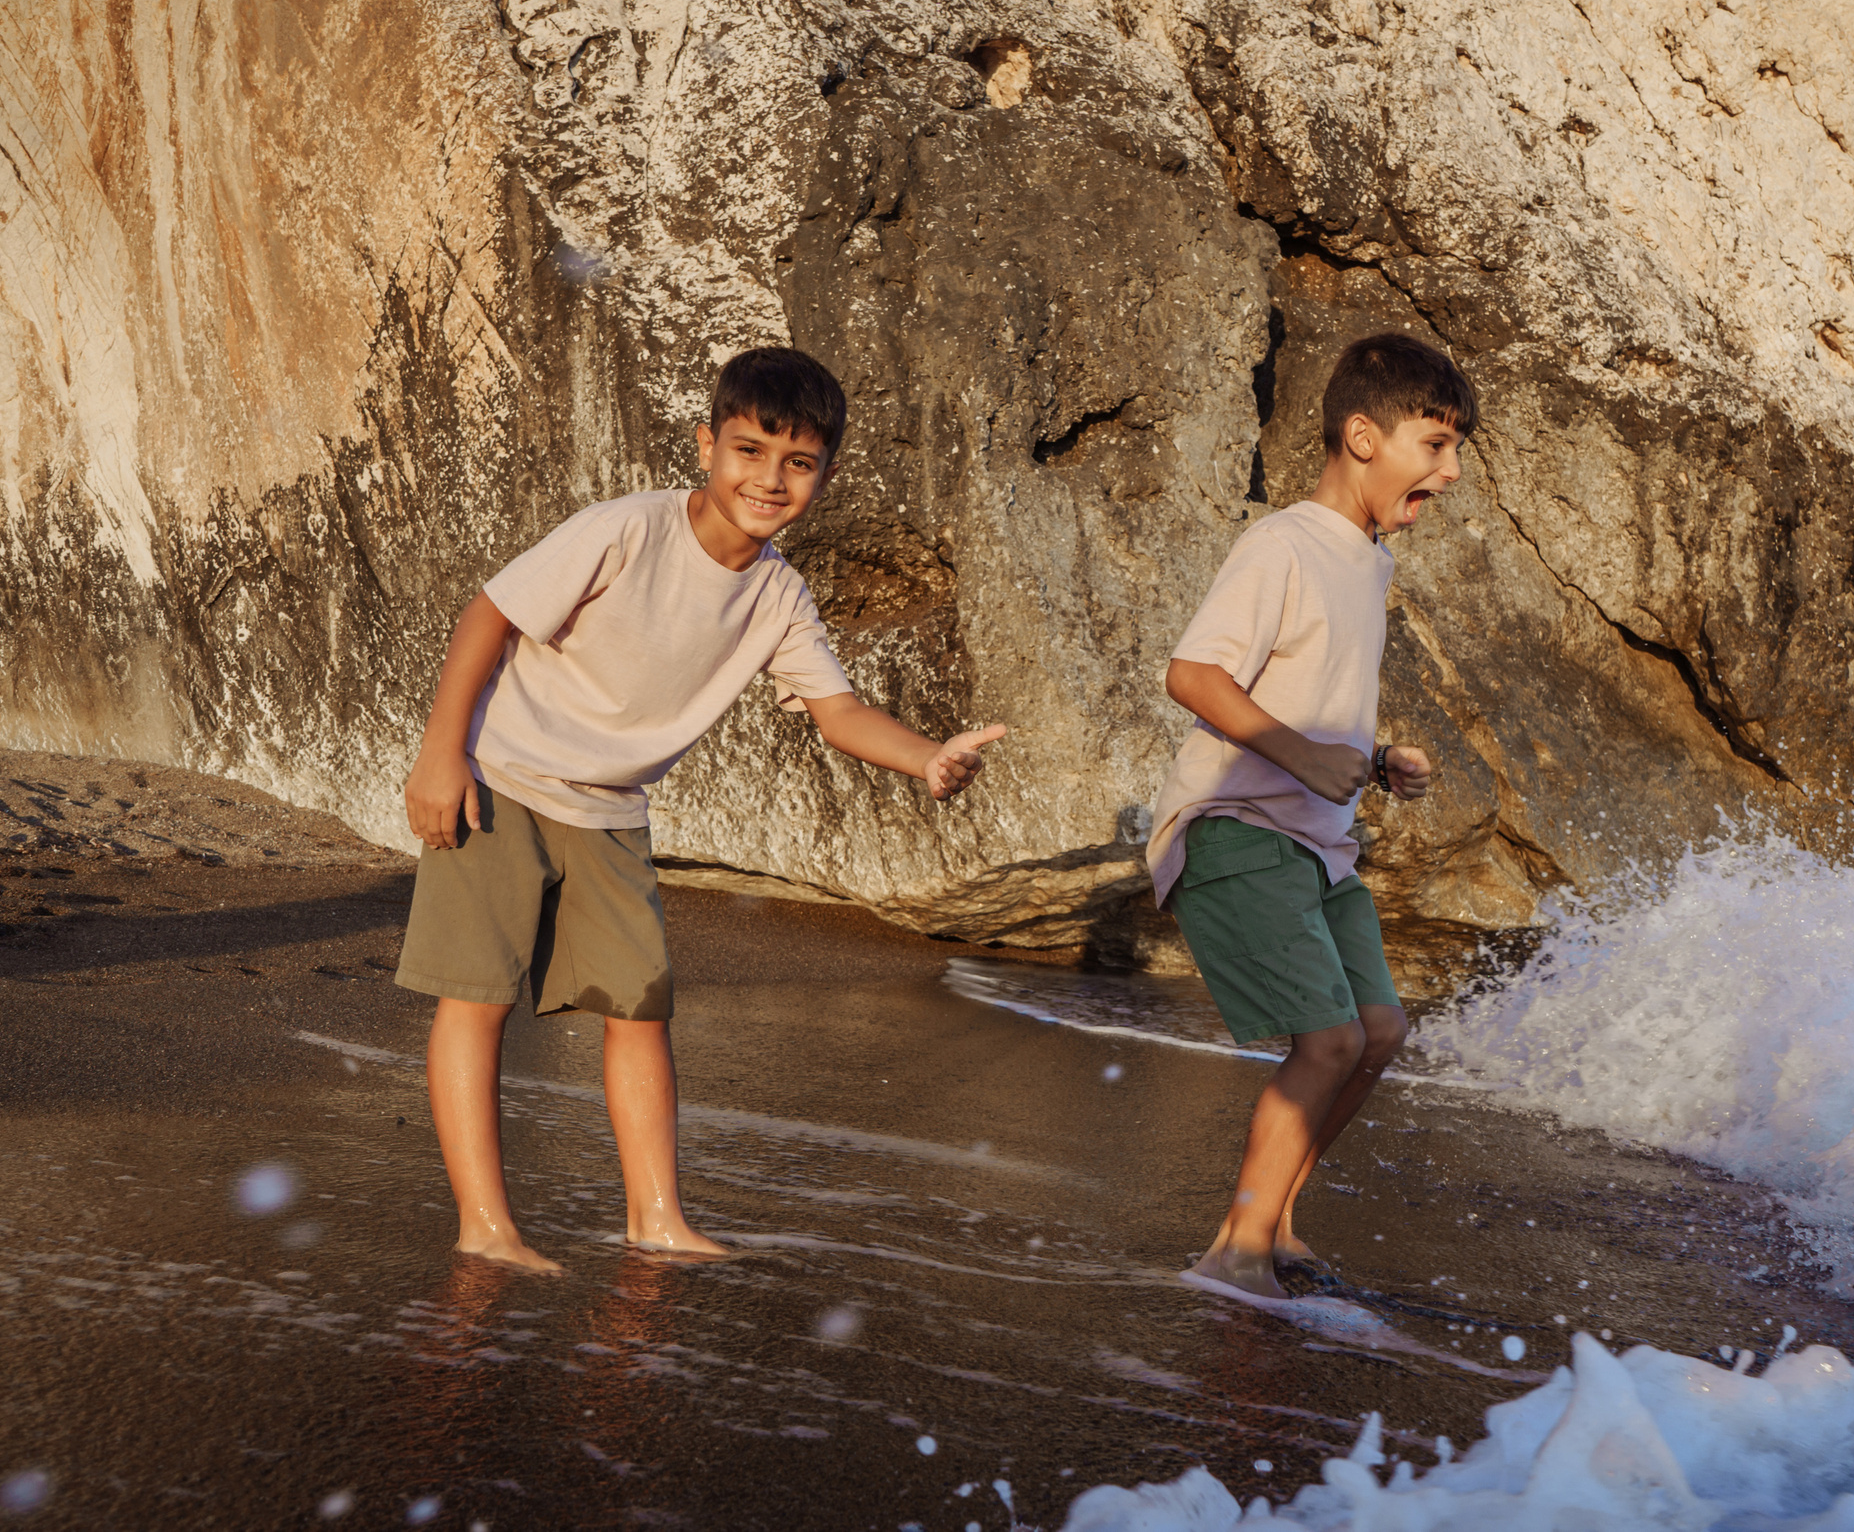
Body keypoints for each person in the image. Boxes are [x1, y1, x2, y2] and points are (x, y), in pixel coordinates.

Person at [394, 346, 1006, 1273]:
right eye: (749, 450)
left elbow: (836, 711)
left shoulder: (777, 593)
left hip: (612, 808)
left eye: (797, 463)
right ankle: (485, 1223)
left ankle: (656, 1217)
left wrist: (926, 758)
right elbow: (488, 615)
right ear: (705, 445)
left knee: (641, 1009)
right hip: (501, 776)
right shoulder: (626, 529)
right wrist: (441, 755)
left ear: (824, 475)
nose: (769, 478)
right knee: (476, 1001)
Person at [1145, 333, 1475, 1304]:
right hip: (1237, 829)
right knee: (1326, 1041)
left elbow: (1316, 697)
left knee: (1376, 1033)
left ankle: (1275, 1221)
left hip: (1318, 848)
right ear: (1362, 436)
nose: (1449, 473)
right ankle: (1232, 1252)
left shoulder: (1368, 563)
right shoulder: (1281, 542)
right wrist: (1299, 754)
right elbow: (1193, 674)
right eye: (1436, 445)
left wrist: (1374, 762)